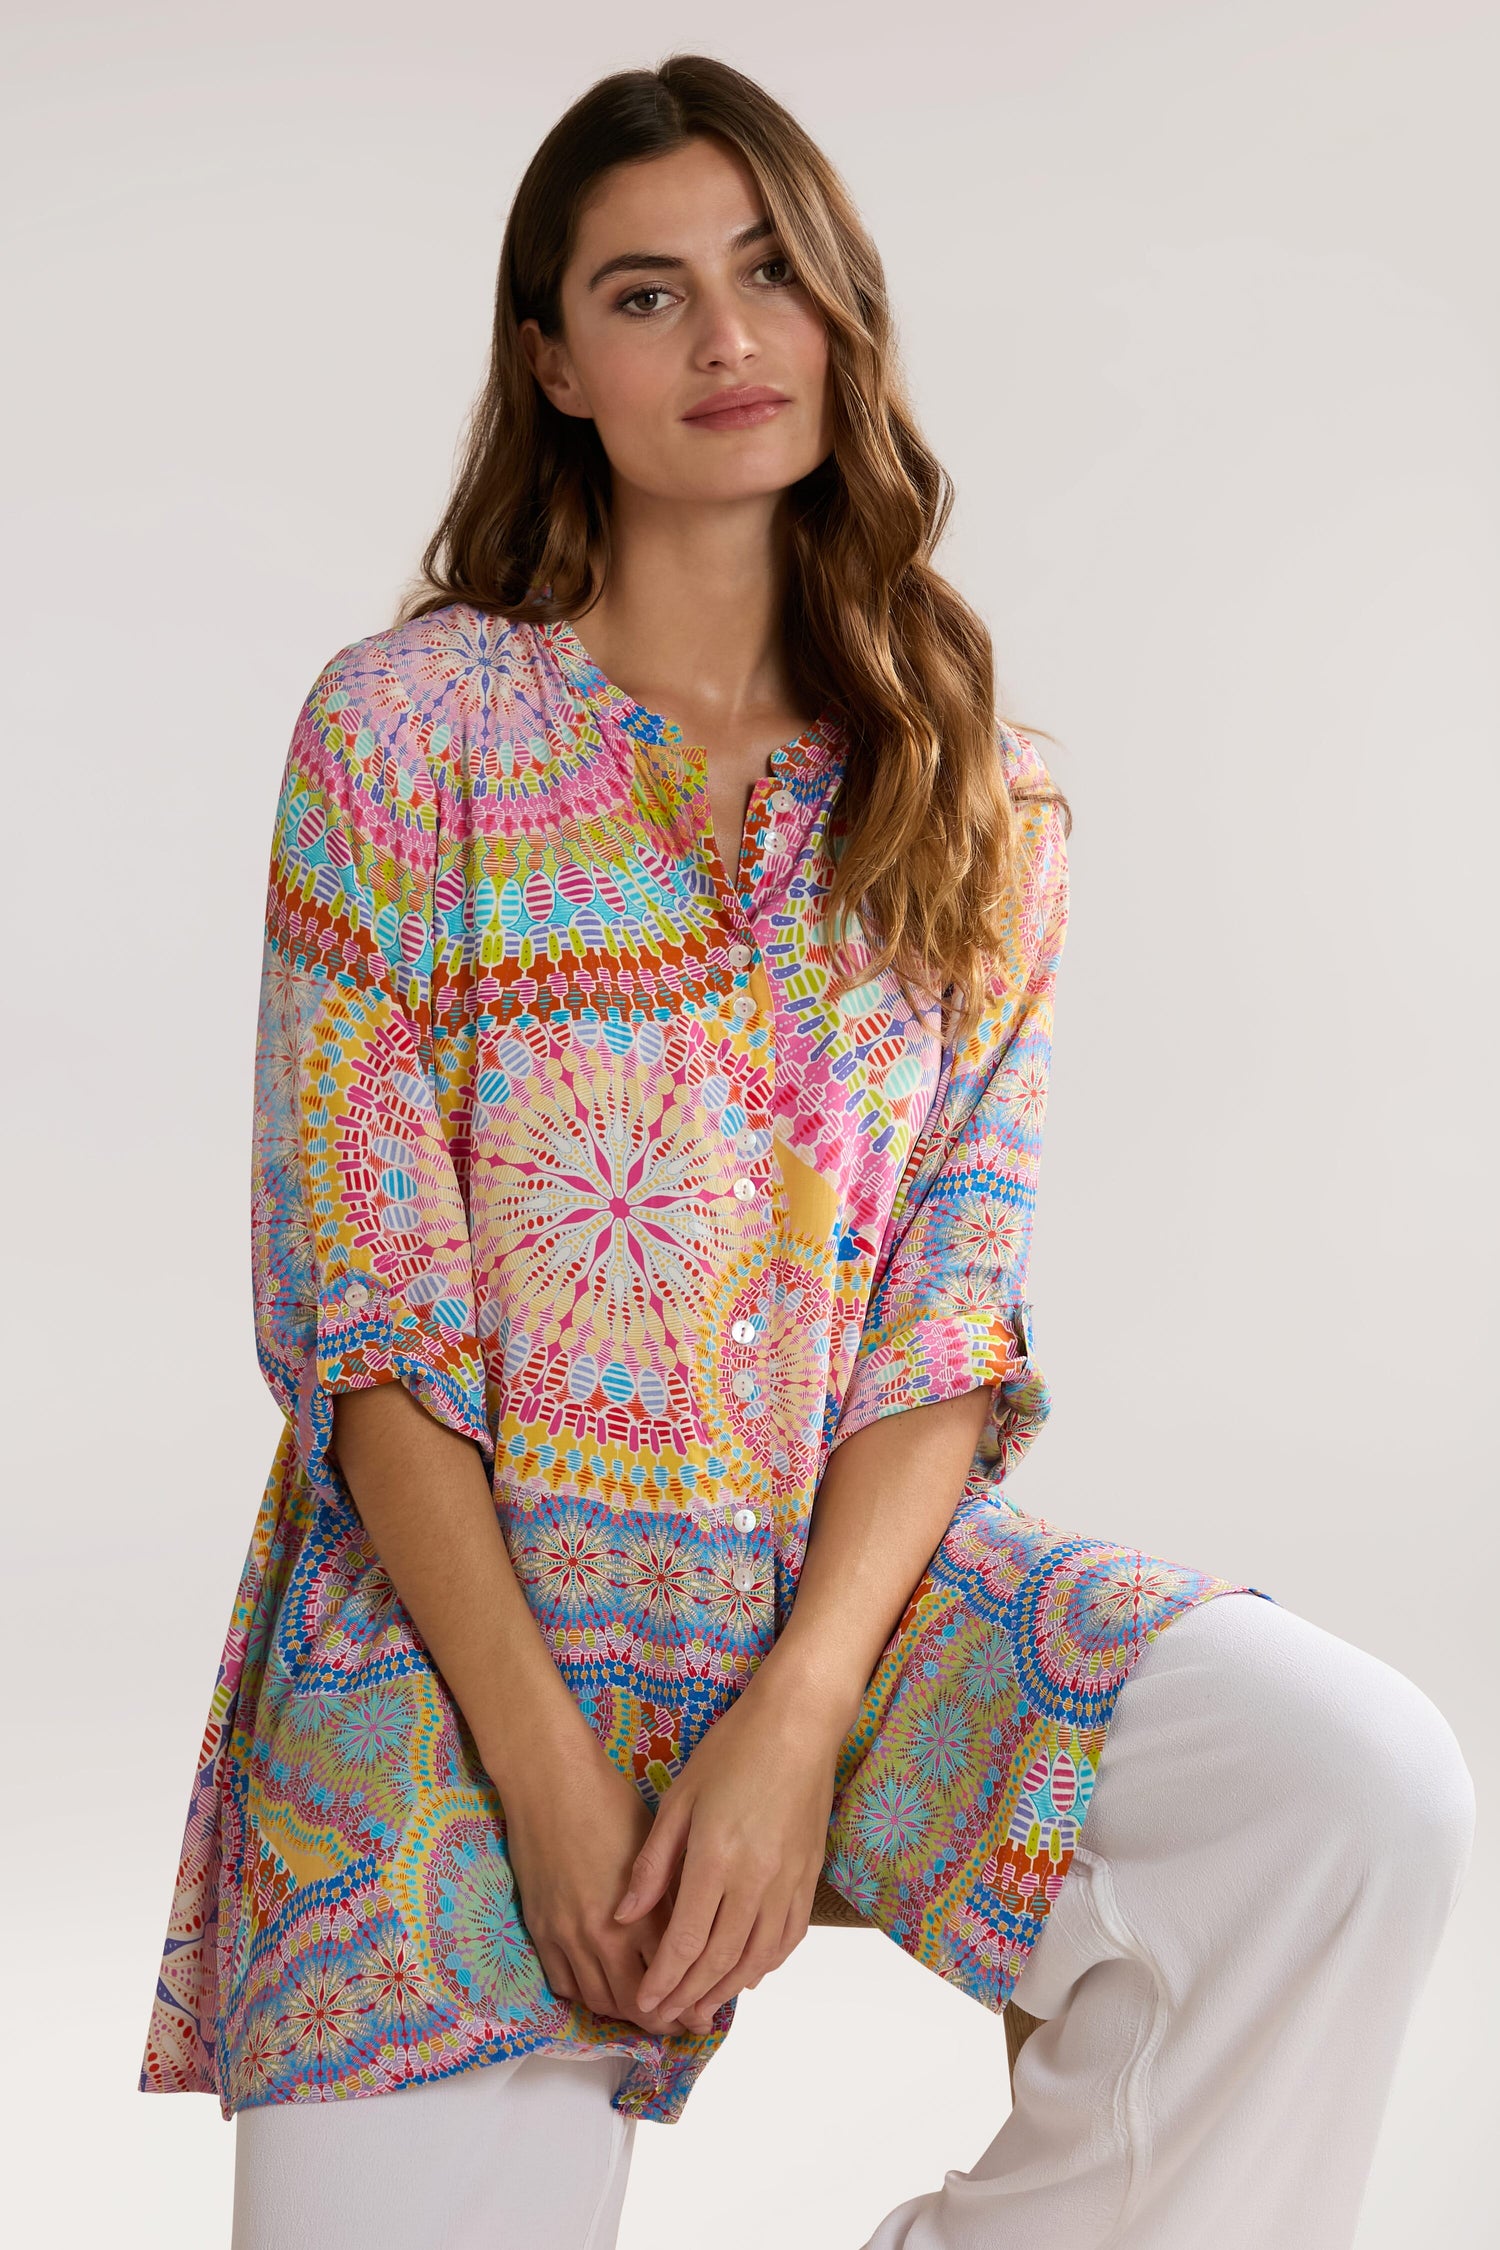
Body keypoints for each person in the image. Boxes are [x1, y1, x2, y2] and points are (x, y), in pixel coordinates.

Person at [138, 53, 1475, 2250]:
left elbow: (947, 1316)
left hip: (851, 1616)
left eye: (769, 274)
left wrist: (792, 1719)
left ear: (842, 313)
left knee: (1354, 1794)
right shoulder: (405, 736)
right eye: (647, 296)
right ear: (553, 366)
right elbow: (363, 1323)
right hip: (454, 1650)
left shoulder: (976, 797)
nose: (730, 338)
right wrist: (555, 1790)